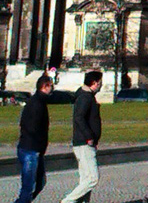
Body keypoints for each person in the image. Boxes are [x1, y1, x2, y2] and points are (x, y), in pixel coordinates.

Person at [61, 70, 103, 203]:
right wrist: (89, 136)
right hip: (84, 143)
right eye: (100, 82)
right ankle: (68, 201)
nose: (101, 85)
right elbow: (79, 117)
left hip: (85, 142)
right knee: (92, 178)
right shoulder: (85, 97)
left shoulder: (86, 96)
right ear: (95, 83)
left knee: (85, 180)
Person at [14, 74, 53, 203]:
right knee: (28, 187)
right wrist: (39, 142)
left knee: (38, 183)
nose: (52, 89)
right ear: (45, 86)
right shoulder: (36, 103)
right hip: (31, 148)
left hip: (35, 148)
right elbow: (31, 126)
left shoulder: (39, 101)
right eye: (50, 86)